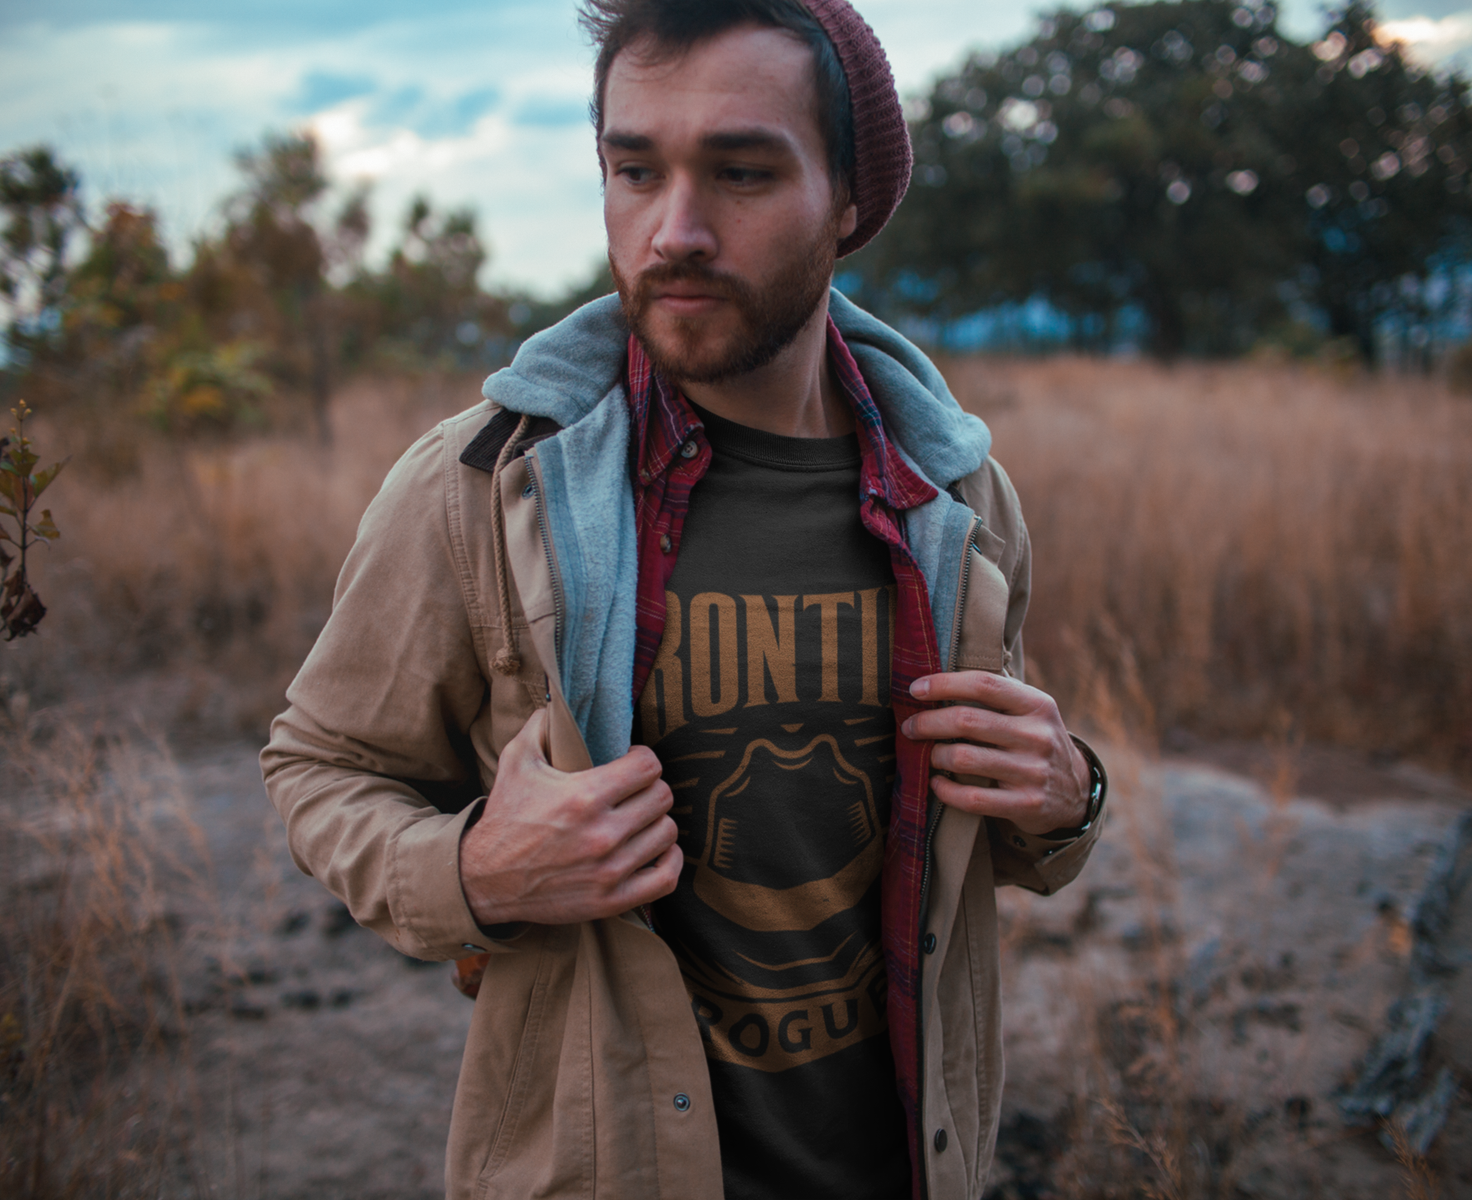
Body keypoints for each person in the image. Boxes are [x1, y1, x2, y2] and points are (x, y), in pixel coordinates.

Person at [261, 0, 1107, 1196]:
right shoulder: (484, 487)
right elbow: (320, 765)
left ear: (847, 198)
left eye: (742, 172)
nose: (674, 232)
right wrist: (476, 874)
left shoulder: (953, 495)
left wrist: (1068, 797)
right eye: (634, 170)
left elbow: (993, 840)